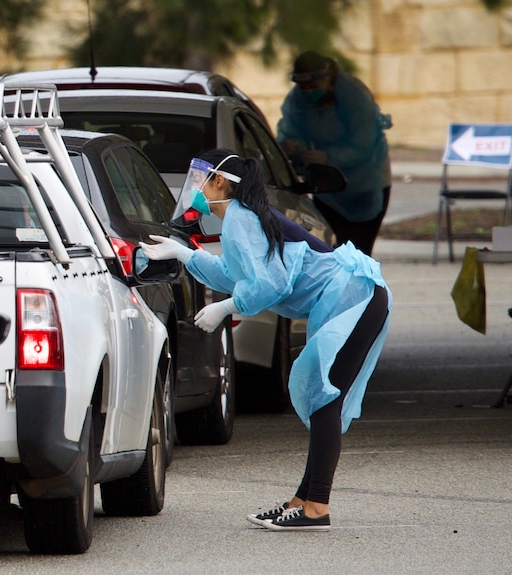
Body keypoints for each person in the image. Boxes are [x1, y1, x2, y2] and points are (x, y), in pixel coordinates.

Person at [141, 149, 392, 531]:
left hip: (353, 295)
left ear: (220, 182)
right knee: (322, 396)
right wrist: (184, 254)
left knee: (323, 395)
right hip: (354, 293)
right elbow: (234, 273)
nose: (195, 189)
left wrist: (225, 309)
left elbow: (271, 284)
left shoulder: (240, 218)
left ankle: (316, 508)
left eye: (201, 180)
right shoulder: (239, 219)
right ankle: (304, 501)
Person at [277, 50, 392, 256]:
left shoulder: (354, 96)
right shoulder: (298, 99)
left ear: (328, 77)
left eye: (314, 86)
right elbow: (289, 129)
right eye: (303, 87)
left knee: (359, 254)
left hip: (365, 184)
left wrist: (328, 157)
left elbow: (364, 145)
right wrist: (292, 146)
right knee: (331, 253)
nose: (308, 92)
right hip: (327, 188)